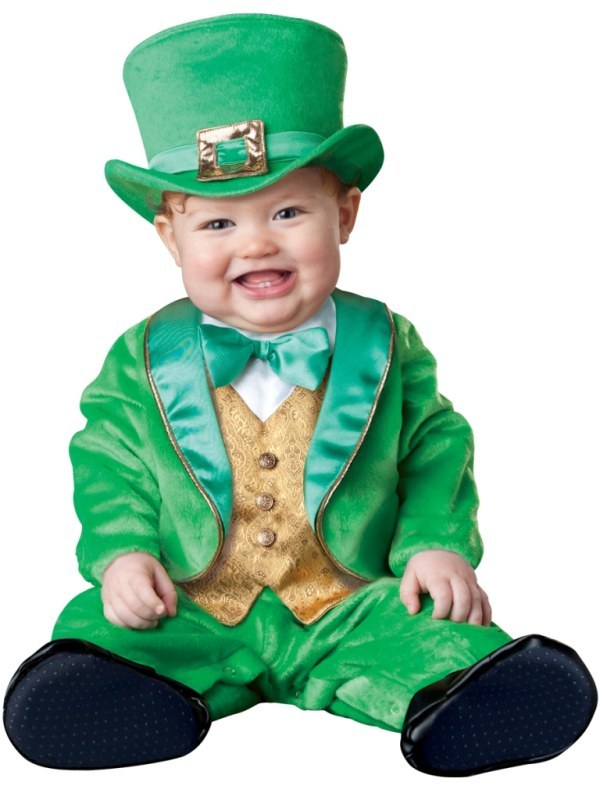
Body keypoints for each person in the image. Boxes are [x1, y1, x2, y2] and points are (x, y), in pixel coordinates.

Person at [3, 13, 596, 777]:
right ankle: (129, 697)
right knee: (102, 626)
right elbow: (108, 461)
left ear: (344, 214)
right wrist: (123, 556)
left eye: (288, 212)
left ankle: (461, 696)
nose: (256, 243)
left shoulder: (386, 342)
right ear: (170, 239)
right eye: (218, 222)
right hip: (192, 603)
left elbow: (434, 448)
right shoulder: (142, 357)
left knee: (435, 627)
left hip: (350, 601)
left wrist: (434, 544)